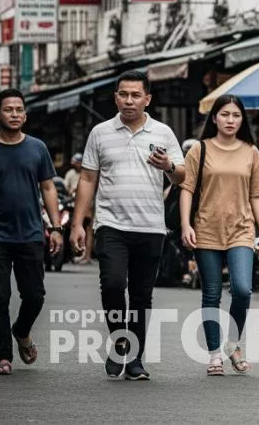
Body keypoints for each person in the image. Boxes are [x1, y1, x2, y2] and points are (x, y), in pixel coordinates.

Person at [71, 71, 185, 380]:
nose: (129, 100)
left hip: (150, 226)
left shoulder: (162, 132)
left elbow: (182, 175)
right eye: (124, 94)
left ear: (147, 99)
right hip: (111, 224)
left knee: (141, 296)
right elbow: (88, 178)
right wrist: (77, 224)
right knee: (112, 284)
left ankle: (135, 359)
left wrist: (169, 167)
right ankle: (120, 338)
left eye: (136, 95)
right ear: (116, 97)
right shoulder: (100, 132)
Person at [179, 95, 259, 377]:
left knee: (242, 289)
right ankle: (214, 354)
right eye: (225, 114)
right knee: (212, 294)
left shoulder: (251, 151)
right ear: (215, 118)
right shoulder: (199, 150)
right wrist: (186, 225)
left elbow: (257, 195)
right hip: (206, 228)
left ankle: (232, 343)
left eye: (236, 115)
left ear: (242, 120)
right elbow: (187, 189)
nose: (231, 120)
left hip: (241, 230)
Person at [0, 89, 62, 376]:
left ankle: (22, 330)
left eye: (19, 109)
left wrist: (56, 228)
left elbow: (48, 187)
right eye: (9, 110)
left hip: (31, 233)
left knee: (34, 295)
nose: (15, 114)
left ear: (25, 115)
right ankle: (3, 357)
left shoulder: (37, 148)